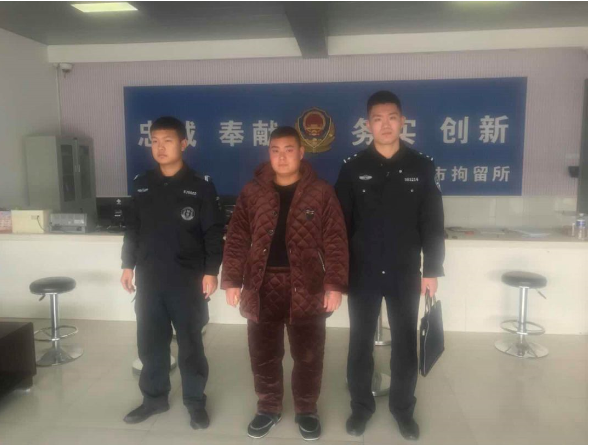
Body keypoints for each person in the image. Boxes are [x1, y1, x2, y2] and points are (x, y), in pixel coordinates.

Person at [222, 126, 349, 440]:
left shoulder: (321, 192)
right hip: (261, 285)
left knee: (308, 356)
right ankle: (268, 408)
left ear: (301, 153)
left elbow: (335, 240)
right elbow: (237, 238)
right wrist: (232, 280)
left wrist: (334, 284)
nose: (282, 157)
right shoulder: (252, 192)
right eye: (275, 150)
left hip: (307, 287)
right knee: (263, 354)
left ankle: (306, 410)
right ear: (269, 153)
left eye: (289, 150)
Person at [335, 91, 445, 440]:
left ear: (402, 121)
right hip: (362, 271)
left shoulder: (421, 167)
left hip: (404, 271)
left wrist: (432, 269)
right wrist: (336, 273)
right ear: (368, 124)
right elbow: (339, 226)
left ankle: (403, 409)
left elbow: (433, 223)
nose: (385, 125)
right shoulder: (352, 168)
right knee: (360, 342)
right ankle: (360, 408)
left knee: (405, 344)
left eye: (392, 117)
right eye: (378, 119)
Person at [120, 116, 224, 429]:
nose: (160, 147)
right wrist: (127, 265)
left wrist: (211, 271)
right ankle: (154, 398)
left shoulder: (200, 186)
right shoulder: (142, 184)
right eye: (155, 141)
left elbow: (213, 233)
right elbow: (132, 229)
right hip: (150, 279)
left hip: (187, 280)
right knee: (151, 343)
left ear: (183, 144)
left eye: (167, 141)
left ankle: (195, 401)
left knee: (190, 345)